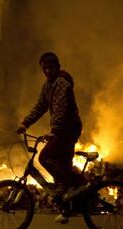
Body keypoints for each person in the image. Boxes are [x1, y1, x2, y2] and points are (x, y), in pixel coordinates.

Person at [17, 52, 88, 218]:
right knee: (62, 164)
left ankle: (74, 184)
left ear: (58, 67)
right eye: (44, 68)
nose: (47, 71)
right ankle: (68, 207)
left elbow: (60, 110)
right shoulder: (48, 85)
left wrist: (54, 131)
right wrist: (25, 123)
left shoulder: (62, 83)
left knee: (44, 157)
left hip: (68, 129)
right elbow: (40, 106)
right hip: (61, 129)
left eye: (50, 67)